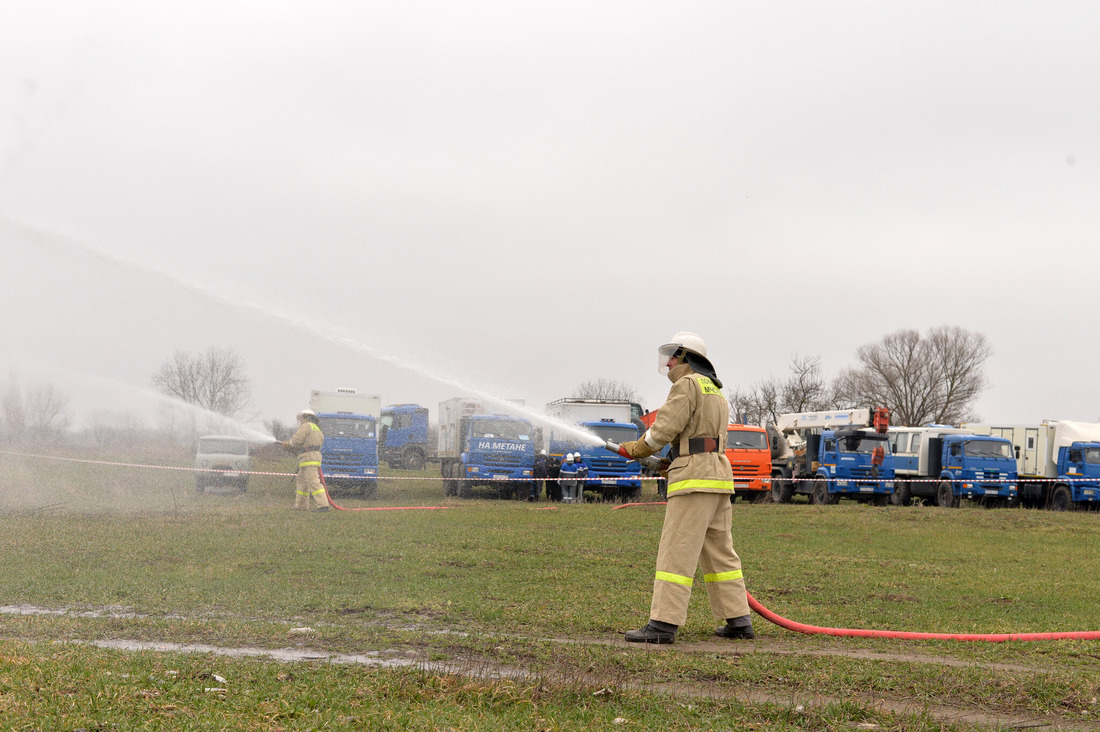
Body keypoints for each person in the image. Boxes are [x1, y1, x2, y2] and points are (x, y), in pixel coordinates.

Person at [617, 331, 753, 644]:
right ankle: (738, 620)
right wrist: (672, 459)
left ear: (686, 357)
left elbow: (663, 429)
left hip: (694, 480)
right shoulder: (716, 390)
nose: (667, 363)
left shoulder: (687, 384)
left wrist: (636, 448)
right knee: (721, 554)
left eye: (672, 356)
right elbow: (701, 437)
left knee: (676, 550)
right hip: (717, 477)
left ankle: (663, 624)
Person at [282, 409, 330, 511]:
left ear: (305, 416)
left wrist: (287, 444)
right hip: (310, 457)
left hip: (309, 458)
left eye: (301, 418)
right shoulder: (316, 428)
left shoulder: (306, 426)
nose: (300, 420)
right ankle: (301, 506)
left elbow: (296, 440)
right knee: (302, 483)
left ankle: (323, 505)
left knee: (313, 482)